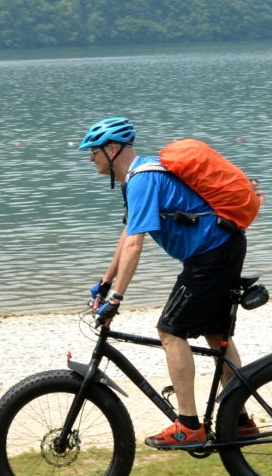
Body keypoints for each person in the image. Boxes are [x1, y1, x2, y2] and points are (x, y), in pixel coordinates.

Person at [79, 117, 256, 449]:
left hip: (212, 254)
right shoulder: (141, 174)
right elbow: (128, 234)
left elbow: (135, 244)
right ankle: (240, 421)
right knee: (216, 335)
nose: (91, 157)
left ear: (113, 149)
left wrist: (115, 299)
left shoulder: (142, 179)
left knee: (170, 330)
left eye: (94, 150)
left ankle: (189, 425)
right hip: (220, 248)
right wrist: (105, 283)